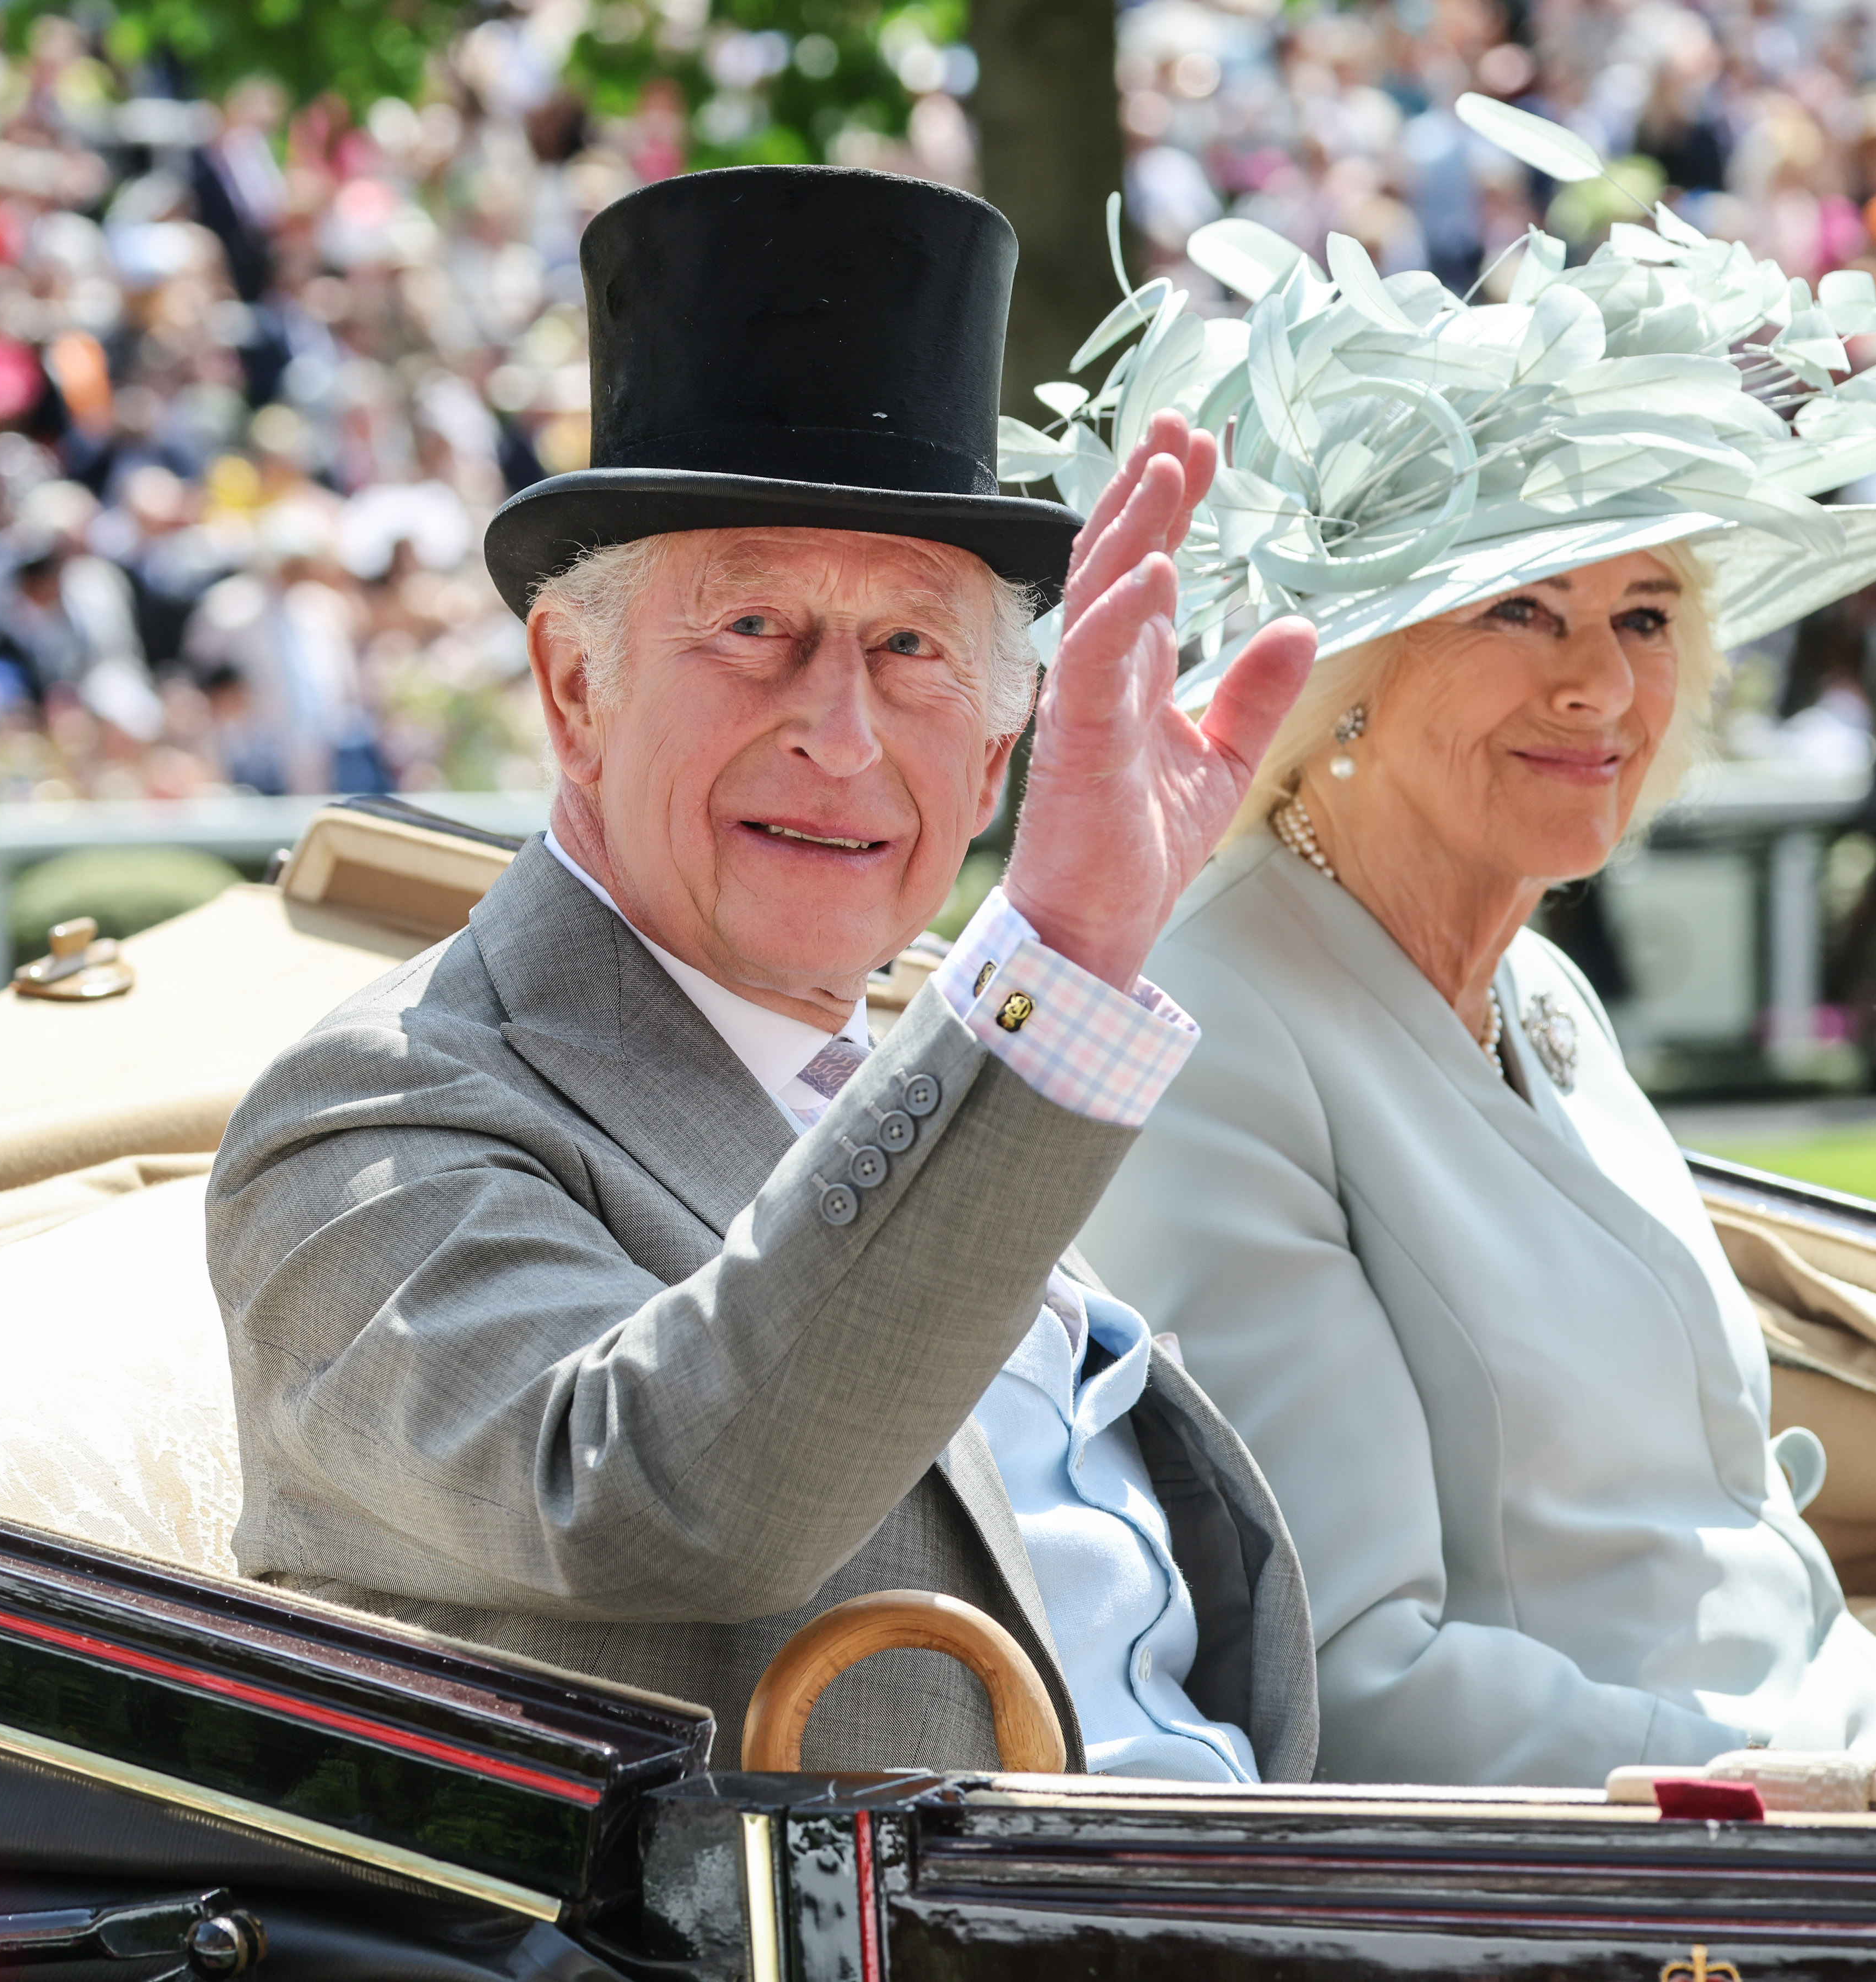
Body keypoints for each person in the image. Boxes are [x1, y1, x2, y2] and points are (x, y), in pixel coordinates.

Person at [1066, 103, 1876, 1796]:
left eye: (1643, 615)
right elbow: (1351, 1682)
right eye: (1520, 609)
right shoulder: (1220, 1030)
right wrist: (1864, 1803)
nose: (1599, 687)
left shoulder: (1540, 995)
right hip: (1614, 1889)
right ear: (1346, 675)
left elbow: (1735, 1568)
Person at [206, 165, 1324, 1778]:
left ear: (1004, 738)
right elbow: (654, 1503)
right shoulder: (377, 1115)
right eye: (749, 629)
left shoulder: (922, 1067)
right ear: (574, 686)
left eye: (912, 648)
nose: (841, 732)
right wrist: (1054, 963)